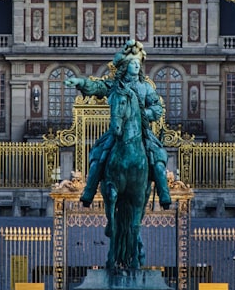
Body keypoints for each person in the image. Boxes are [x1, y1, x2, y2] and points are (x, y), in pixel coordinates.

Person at [65, 40, 172, 210]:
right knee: (98, 156)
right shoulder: (115, 85)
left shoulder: (145, 87)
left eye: (138, 63)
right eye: (132, 63)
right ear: (125, 66)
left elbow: (157, 108)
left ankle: (164, 193)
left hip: (141, 132)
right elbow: (97, 86)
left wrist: (145, 114)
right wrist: (81, 82)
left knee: (158, 158)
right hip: (117, 131)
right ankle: (89, 191)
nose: (136, 66)